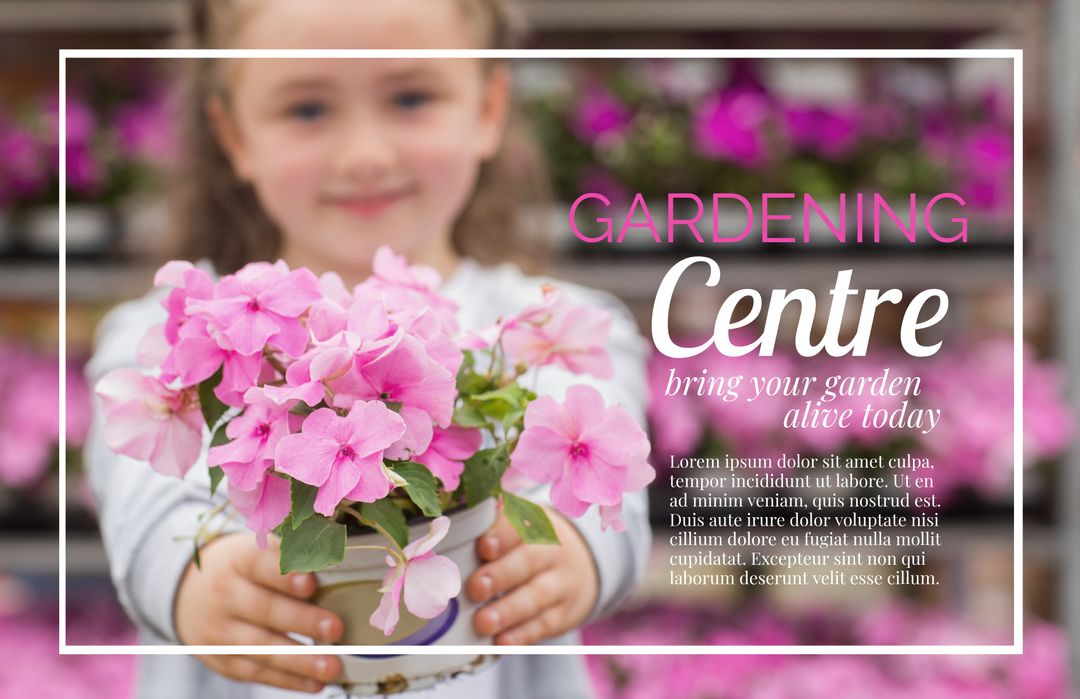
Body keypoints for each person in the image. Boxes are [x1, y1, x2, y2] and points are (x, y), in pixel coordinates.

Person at [84, 1, 651, 697]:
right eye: (307, 109)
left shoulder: (551, 324)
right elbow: (142, 506)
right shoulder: (185, 333)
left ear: (488, 109)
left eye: (411, 98)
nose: (365, 155)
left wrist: (577, 554)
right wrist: (190, 583)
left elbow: (616, 488)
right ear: (234, 136)